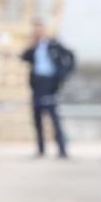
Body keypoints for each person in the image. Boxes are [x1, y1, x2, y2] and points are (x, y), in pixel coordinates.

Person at [20, 20, 74, 158]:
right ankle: (41, 149)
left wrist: (64, 74)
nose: (37, 32)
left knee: (54, 118)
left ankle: (62, 149)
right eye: (35, 30)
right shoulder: (34, 47)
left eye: (39, 29)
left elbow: (70, 56)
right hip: (37, 85)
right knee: (37, 118)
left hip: (50, 85)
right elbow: (23, 57)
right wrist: (32, 44)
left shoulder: (53, 44)